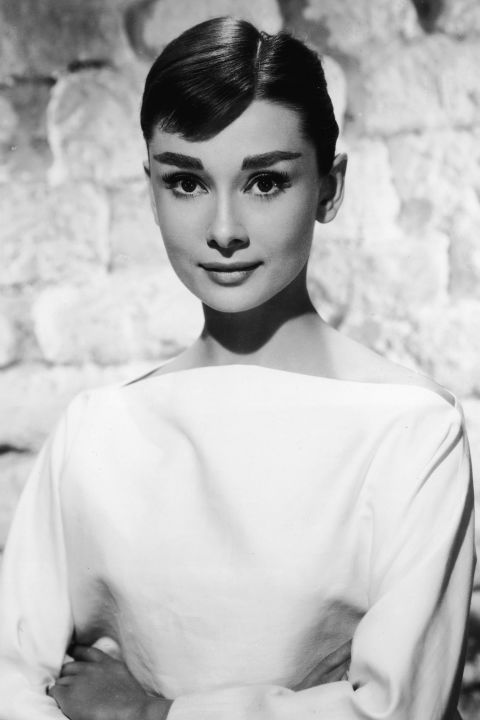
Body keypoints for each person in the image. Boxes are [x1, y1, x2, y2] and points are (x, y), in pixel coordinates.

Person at [0, 15, 475, 720]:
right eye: (186, 183)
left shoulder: (411, 430)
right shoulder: (93, 434)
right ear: (151, 190)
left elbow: (395, 710)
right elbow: (13, 689)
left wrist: (153, 714)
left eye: (266, 182)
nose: (224, 231)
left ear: (330, 187)